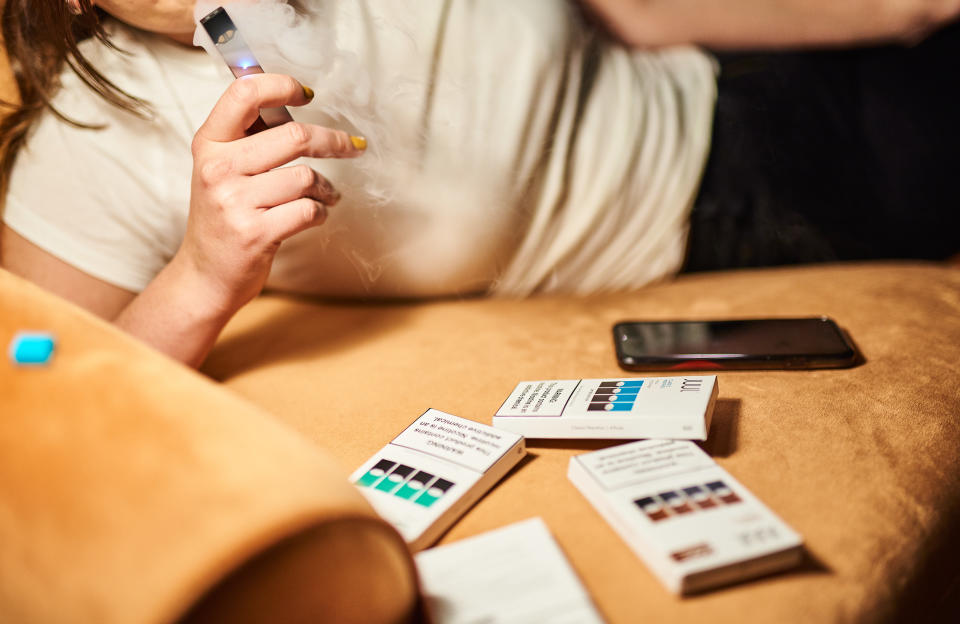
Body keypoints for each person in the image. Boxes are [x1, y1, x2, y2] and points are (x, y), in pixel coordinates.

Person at [1, 0, 957, 368]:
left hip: (725, 72)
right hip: (722, 212)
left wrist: (894, 14)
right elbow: (42, 392)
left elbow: (629, 12)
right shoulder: (93, 142)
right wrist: (205, 272)